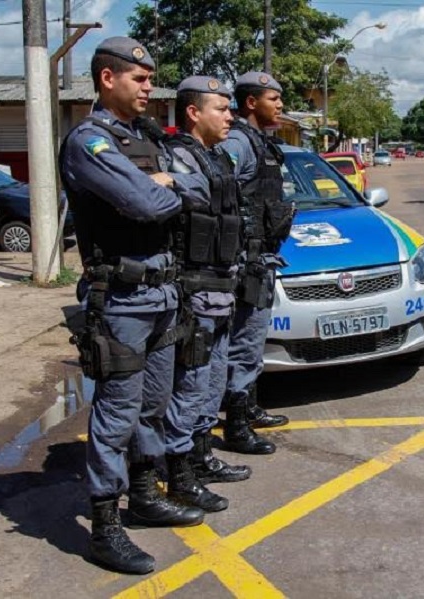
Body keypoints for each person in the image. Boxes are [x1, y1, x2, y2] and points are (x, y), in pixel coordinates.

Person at [59, 36, 204, 576]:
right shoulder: (89, 142)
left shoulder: (143, 138)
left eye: (150, 78)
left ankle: (144, 497)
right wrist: (164, 187)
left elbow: (200, 188)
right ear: (107, 79)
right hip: (120, 299)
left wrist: (168, 181)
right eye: (140, 79)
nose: (149, 87)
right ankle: (104, 526)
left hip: (163, 294)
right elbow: (145, 204)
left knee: (153, 404)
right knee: (117, 411)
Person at [162, 76, 250, 514]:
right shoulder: (179, 155)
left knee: (211, 380)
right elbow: (188, 202)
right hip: (194, 289)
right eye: (221, 108)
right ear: (194, 112)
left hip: (221, 286)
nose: (230, 115)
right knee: (191, 383)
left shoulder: (217, 158)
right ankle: (179, 475)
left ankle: (200, 456)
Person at [219, 71, 295, 454]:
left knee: (253, 339)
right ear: (252, 102)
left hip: (262, 256)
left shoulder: (260, 142)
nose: (280, 105)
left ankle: (247, 407)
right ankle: (235, 427)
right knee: (244, 343)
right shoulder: (238, 143)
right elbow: (217, 189)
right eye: (273, 98)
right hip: (246, 259)